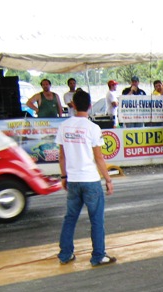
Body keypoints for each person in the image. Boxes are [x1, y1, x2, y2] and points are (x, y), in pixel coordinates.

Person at [56, 90, 116, 267]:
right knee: (96, 219)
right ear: (90, 106)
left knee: (70, 218)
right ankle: (98, 255)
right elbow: (99, 158)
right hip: (90, 180)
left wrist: (64, 176)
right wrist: (108, 180)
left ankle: (65, 254)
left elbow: (62, 156)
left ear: (73, 105)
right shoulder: (93, 128)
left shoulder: (64, 126)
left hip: (73, 179)